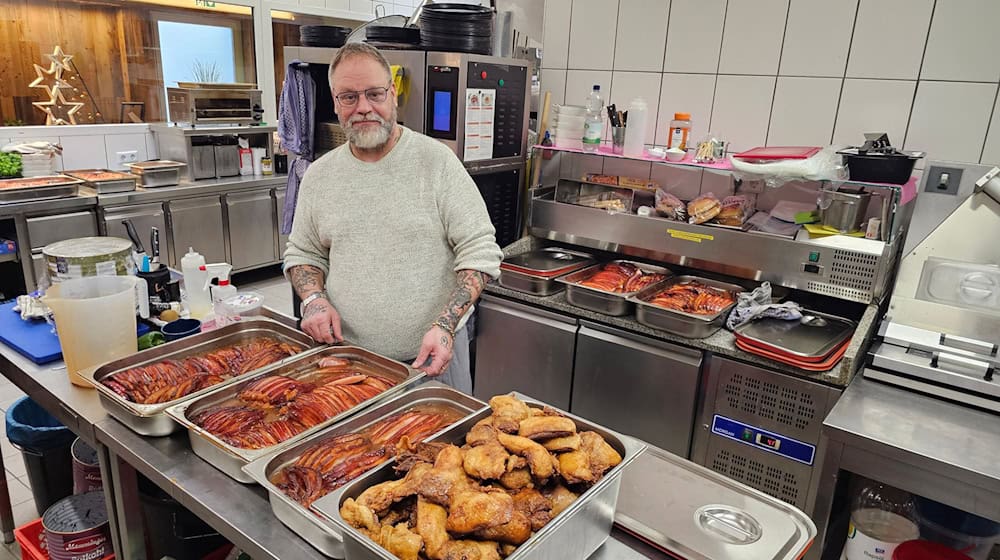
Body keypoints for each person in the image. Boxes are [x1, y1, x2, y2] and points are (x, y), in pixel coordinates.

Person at [283, 43, 502, 393]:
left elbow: (480, 251)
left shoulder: (437, 162)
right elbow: (303, 253)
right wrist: (313, 300)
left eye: (374, 93)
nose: (364, 108)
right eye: (349, 97)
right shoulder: (320, 175)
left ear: (393, 94)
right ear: (336, 103)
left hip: (433, 363)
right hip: (348, 365)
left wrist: (446, 325)